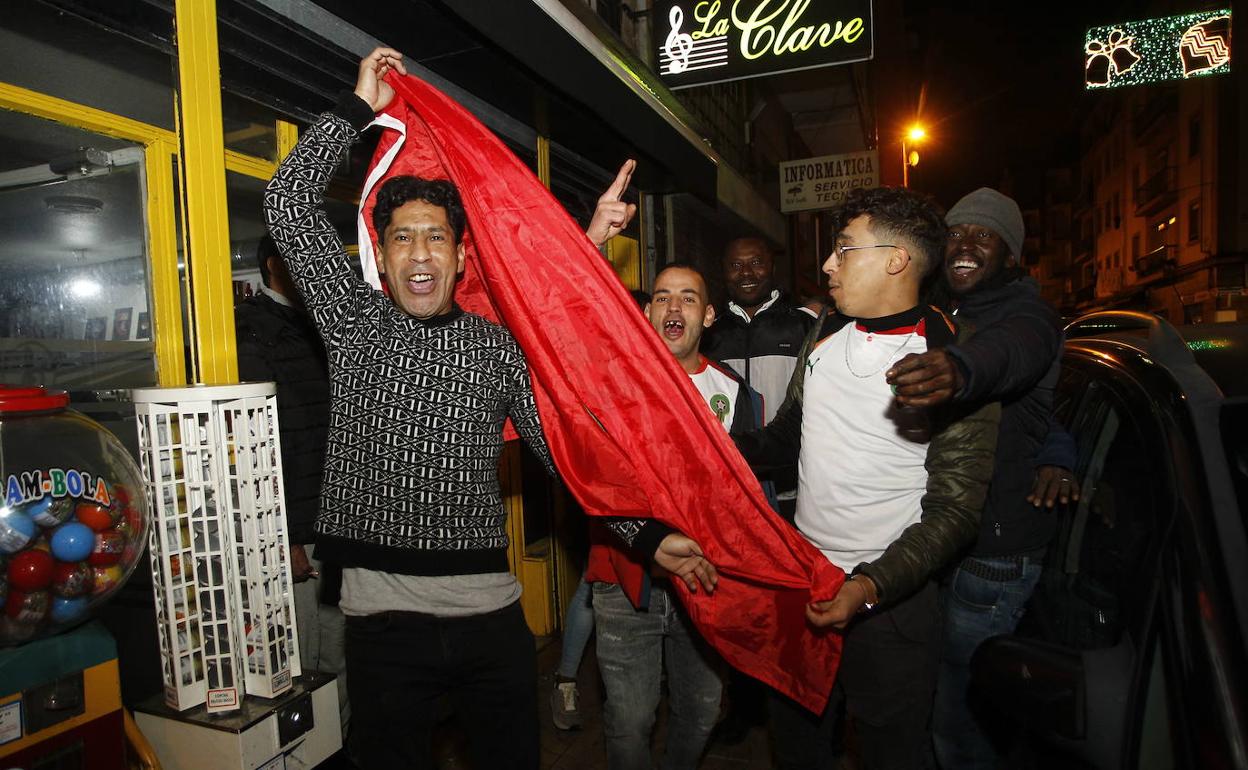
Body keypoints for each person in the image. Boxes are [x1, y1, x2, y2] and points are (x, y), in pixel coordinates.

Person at [264, 48, 715, 770]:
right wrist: (357, 107)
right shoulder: (352, 322)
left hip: (491, 620)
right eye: (402, 236)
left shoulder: (497, 349)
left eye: (436, 236)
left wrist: (647, 534)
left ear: (461, 258)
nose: (419, 250)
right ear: (381, 257)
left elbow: (565, 454)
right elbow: (288, 200)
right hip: (383, 626)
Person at [735, 187, 1000, 770]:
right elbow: (788, 434)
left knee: (890, 752)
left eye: (845, 249)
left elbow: (955, 512)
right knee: (798, 744)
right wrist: (708, 445)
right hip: (806, 583)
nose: (829, 265)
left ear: (895, 260)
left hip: (891, 604)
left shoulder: (952, 359)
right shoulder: (825, 331)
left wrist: (869, 587)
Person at [882, 187, 1070, 769]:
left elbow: (1012, 352)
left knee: (964, 718)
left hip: (995, 552)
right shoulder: (939, 309)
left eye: (983, 236)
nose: (964, 246)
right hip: (944, 540)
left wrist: (957, 368)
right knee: (935, 693)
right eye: (956, 233)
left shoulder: (1029, 316)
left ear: (1010, 254)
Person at [587, 264, 767, 770]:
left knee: (702, 711)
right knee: (630, 719)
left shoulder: (733, 393)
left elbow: (745, 499)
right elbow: (594, 477)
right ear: (647, 311)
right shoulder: (610, 383)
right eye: (662, 296)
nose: (672, 307)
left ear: (708, 315)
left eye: (688, 298)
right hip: (626, 584)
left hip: (707, 584)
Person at [701, 236, 817, 744]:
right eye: (735, 264)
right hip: (732, 494)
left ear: (773, 266)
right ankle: (745, 706)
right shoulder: (710, 332)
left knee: (799, 607)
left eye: (756, 263)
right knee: (744, 605)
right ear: (723, 272)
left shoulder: (805, 326)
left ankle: (807, 709)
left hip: (793, 490)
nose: (746, 272)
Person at [234, 235, 349, 734]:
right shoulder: (254, 330)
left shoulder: (324, 325)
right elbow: (260, 441)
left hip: (339, 517)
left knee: (341, 645)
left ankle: (340, 744)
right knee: (301, 653)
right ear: (270, 265)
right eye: (293, 257)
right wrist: (285, 534)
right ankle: (313, 751)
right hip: (296, 528)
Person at [551, 288, 651, 732]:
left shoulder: (656, 364)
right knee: (595, 583)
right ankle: (566, 680)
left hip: (650, 506)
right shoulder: (596, 363)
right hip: (602, 498)